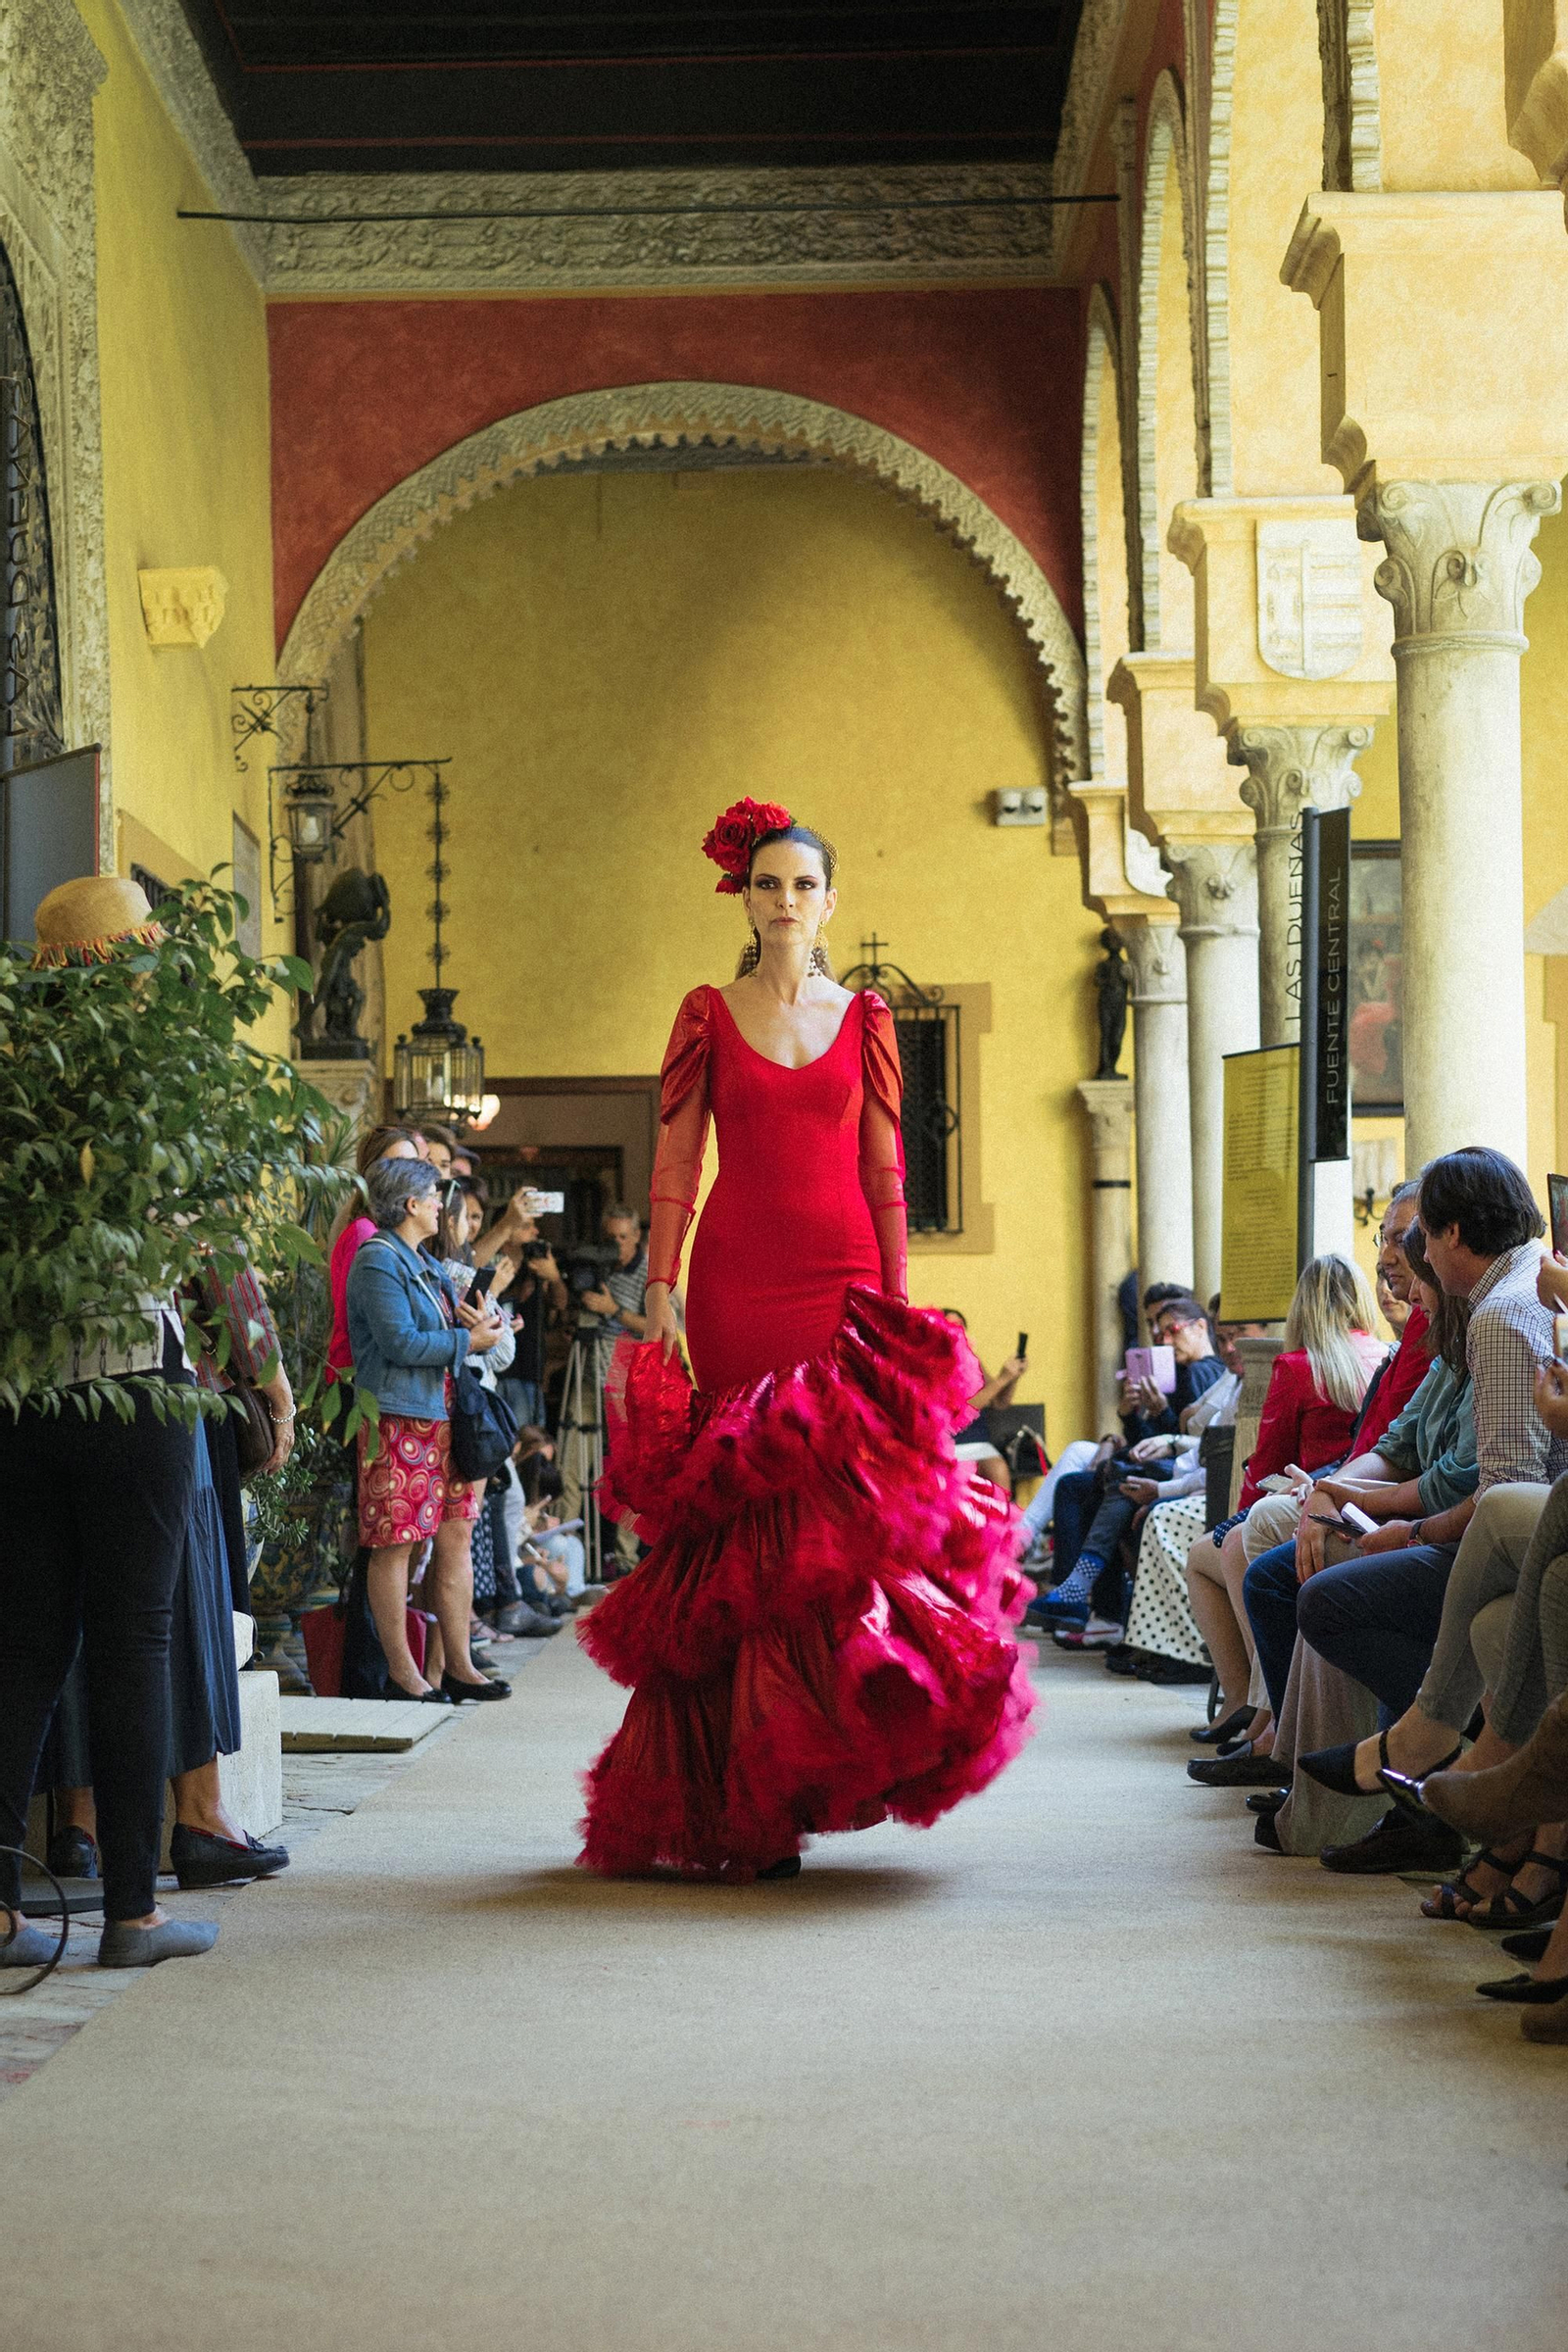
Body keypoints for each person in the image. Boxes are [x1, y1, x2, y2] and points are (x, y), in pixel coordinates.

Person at [576, 799, 1033, 1880]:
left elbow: (886, 1171)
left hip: (841, 1285)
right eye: (767, 883)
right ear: (742, 895)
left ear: (830, 901)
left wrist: (897, 1303)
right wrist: (661, 1286)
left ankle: (817, 1759)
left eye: (802, 885)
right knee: (742, 1537)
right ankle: (736, 1795)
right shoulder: (704, 1011)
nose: (784, 901)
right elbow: (679, 1163)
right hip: (736, 1281)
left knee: (838, 1529)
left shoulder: (867, 1015)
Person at [1, 877, 219, 1972]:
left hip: (24, 1391)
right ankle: (132, 1913)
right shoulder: (150, 1075)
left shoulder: (13, 1078)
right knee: (134, 1644)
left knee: (25, 1649)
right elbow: (180, 1231)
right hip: (131, 1383)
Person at [1181, 1252, 1384, 1783]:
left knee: (1211, 1553)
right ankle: (1254, 1712)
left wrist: (1240, 1509)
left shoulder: (1298, 1366)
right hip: (1357, 1498)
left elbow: (1267, 1461)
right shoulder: (1383, 1354)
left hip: (1302, 1497)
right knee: (1226, 1550)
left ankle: (1254, 1709)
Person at [345, 1156, 511, 1705]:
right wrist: (470, 1343)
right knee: (395, 1544)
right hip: (396, 1417)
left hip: (440, 1419)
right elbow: (401, 1344)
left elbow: (443, 1325)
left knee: (451, 1536)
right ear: (410, 1204)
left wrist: (479, 1324)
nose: (443, 1204)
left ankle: (457, 1665)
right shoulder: (377, 1261)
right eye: (434, 1195)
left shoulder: (421, 1261)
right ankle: (404, 1673)